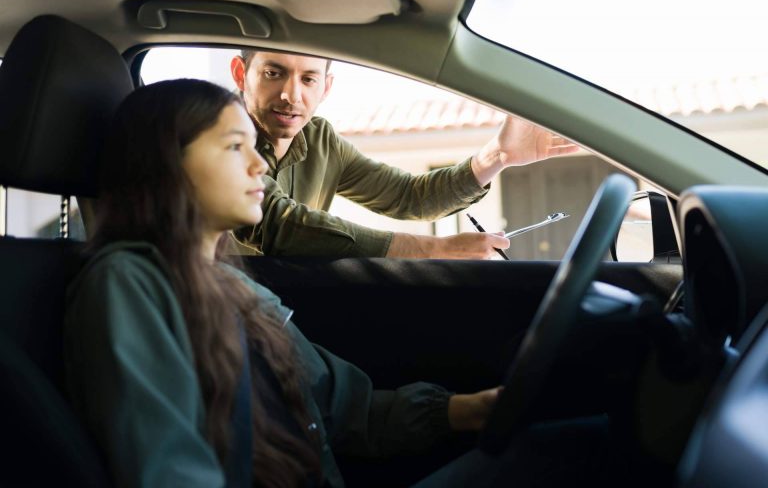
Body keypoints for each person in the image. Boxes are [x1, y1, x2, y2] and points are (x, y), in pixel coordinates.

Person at [63, 78, 502, 488]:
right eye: (235, 147)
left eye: (254, 148)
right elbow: (171, 470)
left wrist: (470, 410)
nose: (259, 166)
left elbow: (346, 409)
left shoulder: (236, 287)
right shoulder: (127, 284)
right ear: (165, 162)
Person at [229, 50, 579, 259]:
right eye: (274, 74)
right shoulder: (216, 133)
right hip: (215, 321)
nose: (291, 95)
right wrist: (435, 250)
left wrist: (498, 155)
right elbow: (279, 225)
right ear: (241, 74)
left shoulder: (321, 140)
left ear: (326, 87)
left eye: (308, 79)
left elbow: (409, 197)